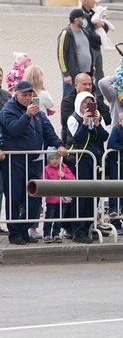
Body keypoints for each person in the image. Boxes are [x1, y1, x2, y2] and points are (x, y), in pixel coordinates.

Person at [0, 79, 67, 245]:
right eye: (25, 95)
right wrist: (27, 115)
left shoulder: (38, 113)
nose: (28, 98)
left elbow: (48, 131)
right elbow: (13, 130)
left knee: (34, 195)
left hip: (33, 160)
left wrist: (59, 144)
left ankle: (24, 228)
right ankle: (15, 232)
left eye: (30, 95)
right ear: (16, 94)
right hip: (14, 159)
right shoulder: (8, 110)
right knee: (14, 197)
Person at [63, 90, 108, 243]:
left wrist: (96, 123)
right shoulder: (73, 118)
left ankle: (90, 226)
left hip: (95, 160)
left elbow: (104, 137)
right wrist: (84, 122)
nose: (87, 106)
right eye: (84, 102)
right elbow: (78, 139)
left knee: (93, 196)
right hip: (79, 161)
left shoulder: (98, 117)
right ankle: (78, 230)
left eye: (90, 102)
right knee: (81, 196)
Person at [57, 8, 95, 98]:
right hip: (73, 75)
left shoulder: (84, 32)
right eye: (83, 18)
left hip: (86, 73)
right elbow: (61, 55)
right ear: (76, 20)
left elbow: (88, 51)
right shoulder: (66, 33)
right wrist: (66, 74)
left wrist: (92, 72)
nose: (85, 20)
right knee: (70, 98)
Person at [42, 151, 75, 243]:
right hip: (52, 199)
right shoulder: (46, 169)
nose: (55, 161)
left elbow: (73, 178)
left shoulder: (64, 167)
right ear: (48, 160)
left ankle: (56, 234)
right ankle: (47, 234)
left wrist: (64, 175)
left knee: (59, 218)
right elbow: (43, 181)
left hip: (63, 199)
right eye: (52, 159)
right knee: (50, 217)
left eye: (57, 158)